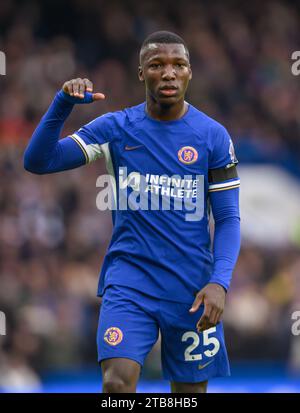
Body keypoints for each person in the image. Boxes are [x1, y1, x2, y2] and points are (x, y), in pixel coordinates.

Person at [24, 31, 241, 393]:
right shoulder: (115, 128)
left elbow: (229, 219)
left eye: (179, 65)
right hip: (130, 283)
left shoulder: (213, 137)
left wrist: (219, 281)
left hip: (192, 289)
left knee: (189, 396)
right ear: (142, 73)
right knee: (117, 385)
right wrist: (62, 103)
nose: (169, 73)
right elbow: (38, 161)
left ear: (190, 73)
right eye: (157, 65)